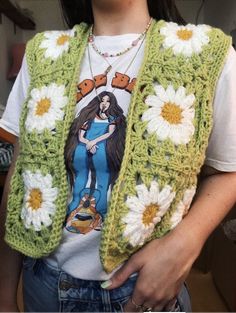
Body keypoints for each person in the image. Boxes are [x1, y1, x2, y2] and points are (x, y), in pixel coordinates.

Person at [1, 0, 236, 312]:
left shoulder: (206, 55)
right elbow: (19, 184)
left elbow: (229, 169)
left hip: (146, 291)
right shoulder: (42, 55)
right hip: (44, 286)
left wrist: (187, 241)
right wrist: (4, 297)